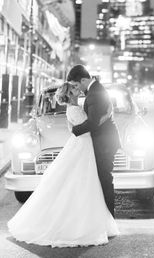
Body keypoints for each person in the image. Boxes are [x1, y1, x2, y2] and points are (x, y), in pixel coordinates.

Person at [8, 82, 119, 247]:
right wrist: (107, 114)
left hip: (83, 146)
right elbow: (88, 127)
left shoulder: (74, 107)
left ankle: (84, 218)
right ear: (69, 94)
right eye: (73, 89)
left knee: (81, 182)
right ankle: (79, 224)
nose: (77, 89)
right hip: (82, 146)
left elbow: (82, 125)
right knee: (82, 181)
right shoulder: (73, 109)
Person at [67, 64, 121, 218]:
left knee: (105, 180)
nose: (77, 88)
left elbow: (92, 122)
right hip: (103, 141)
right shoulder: (95, 90)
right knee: (102, 179)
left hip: (104, 144)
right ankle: (103, 217)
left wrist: (74, 130)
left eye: (77, 85)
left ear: (84, 80)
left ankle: (109, 218)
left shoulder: (95, 93)